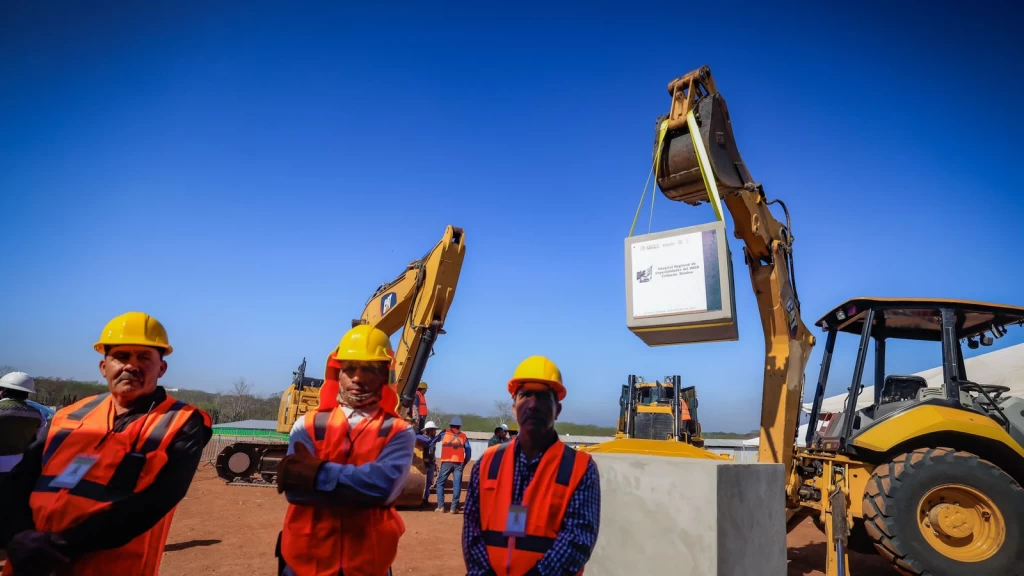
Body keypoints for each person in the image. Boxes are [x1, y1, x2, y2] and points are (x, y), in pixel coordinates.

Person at [0, 311, 212, 576]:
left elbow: (155, 502)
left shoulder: (182, 423)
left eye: (144, 356)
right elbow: (19, 482)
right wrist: (17, 536)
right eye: (121, 356)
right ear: (104, 366)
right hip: (28, 564)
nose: (131, 366)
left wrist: (59, 546)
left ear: (161, 368)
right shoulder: (68, 416)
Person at [275, 324, 415, 576]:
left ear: (386, 375)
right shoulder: (307, 424)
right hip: (305, 562)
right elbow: (295, 492)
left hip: (368, 563)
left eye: (370, 369)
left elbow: (383, 489)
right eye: (349, 368)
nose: (358, 377)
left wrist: (316, 474)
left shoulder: (398, 430)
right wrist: (362, 486)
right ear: (337, 373)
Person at [462, 355, 601, 576]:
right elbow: (472, 528)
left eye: (544, 398)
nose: (533, 405)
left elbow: (578, 538)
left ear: (558, 409)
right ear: (514, 407)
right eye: (525, 395)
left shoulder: (580, 469)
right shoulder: (488, 462)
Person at [0, 372, 44, 483]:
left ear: (2, 391)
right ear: (27, 394)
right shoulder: (38, 414)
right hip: (19, 466)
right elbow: (39, 441)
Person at [434, 415, 470, 513]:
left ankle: (441, 507)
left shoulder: (445, 432)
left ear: (451, 425)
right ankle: (454, 508)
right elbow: (469, 451)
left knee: (440, 483)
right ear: (459, 426)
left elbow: (434, 441)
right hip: (459, 463)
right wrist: (464, 462)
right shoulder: (463, 436)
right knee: (457, 485)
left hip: (446, 462)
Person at [416, 420, 440, 506]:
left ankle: (425, 499)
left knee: (429, 483)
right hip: (423, 465)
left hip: (431, 464)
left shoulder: (432, 440)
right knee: (423, 483)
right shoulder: (420, 438)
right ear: (428, 430)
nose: (435, 432)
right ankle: (420, 499)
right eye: (433, 430)